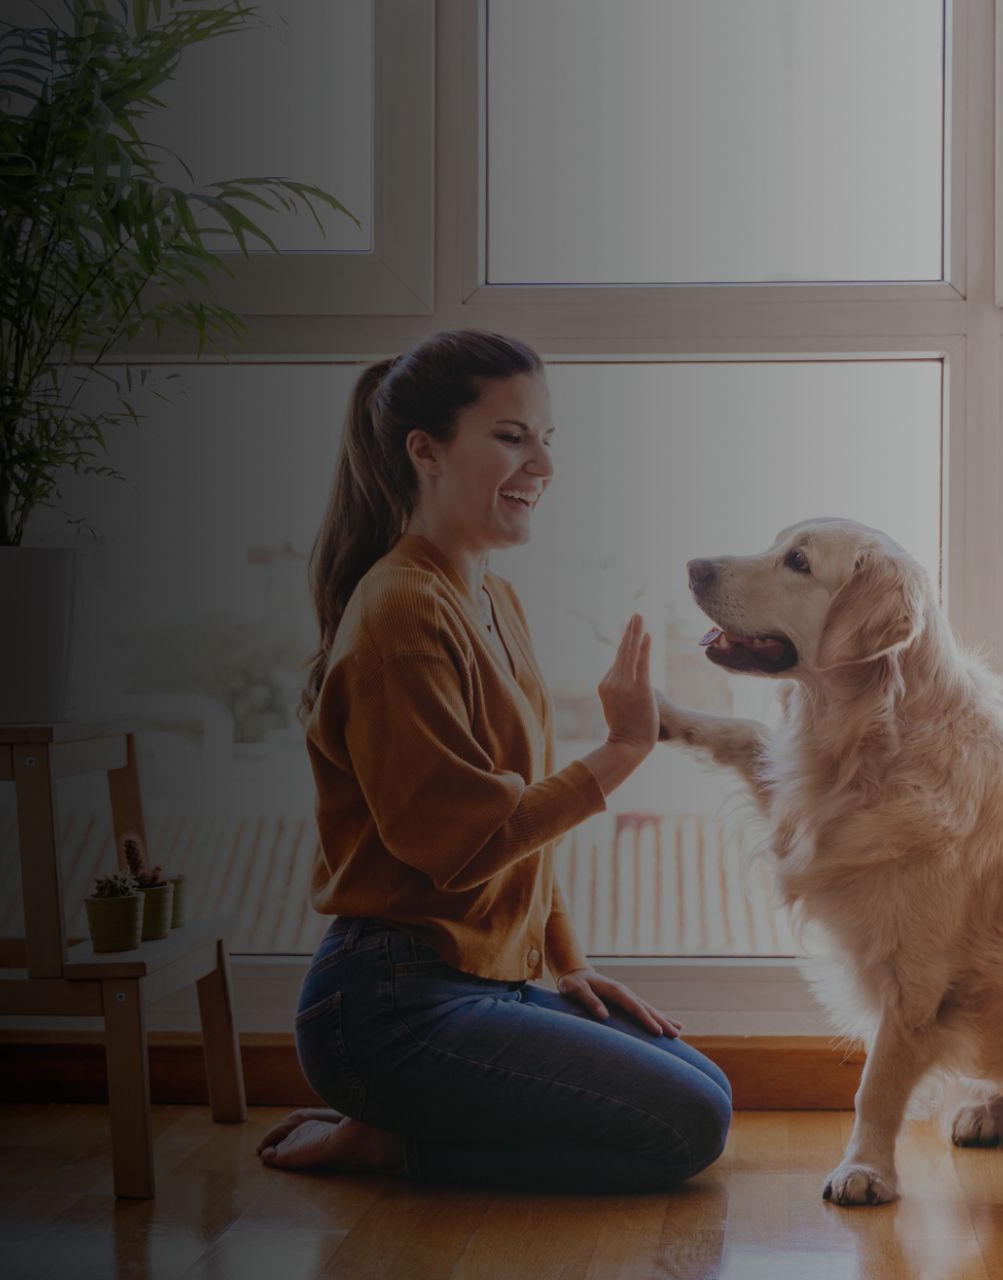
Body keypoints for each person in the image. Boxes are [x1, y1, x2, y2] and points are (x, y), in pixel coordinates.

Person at [258, 329, 732, 1191]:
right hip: (387, 1005)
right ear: (426, 452)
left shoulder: (491, 596)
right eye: (513, 437)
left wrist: (568, 961)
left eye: (547, 439)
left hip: (482, 981)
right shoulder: (400, 613)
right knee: (687, 1126)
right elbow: (463, 846)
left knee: (707, 1088)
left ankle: (405, 1127)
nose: (541, 465)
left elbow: (520, 831)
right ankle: (390, 1142)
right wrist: (624, 748)